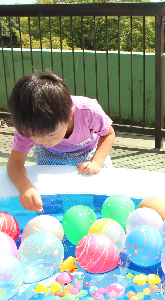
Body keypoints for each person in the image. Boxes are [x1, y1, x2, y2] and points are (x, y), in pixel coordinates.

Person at [7, 73, 115, 213]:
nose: (44, 141)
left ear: (69, 115)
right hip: (49, 155)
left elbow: (108, 134)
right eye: (34, 136)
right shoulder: (28, 124)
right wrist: (24, 187)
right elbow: (15, 161)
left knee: (105, 189)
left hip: (89, 152)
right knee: (46, 200)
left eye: (51, 134)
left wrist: (96, 162)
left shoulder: (88, 111)